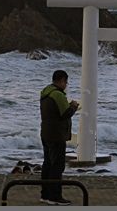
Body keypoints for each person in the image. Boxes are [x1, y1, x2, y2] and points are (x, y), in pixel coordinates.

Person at [39, 70, 79, 206]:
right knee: (57, 166)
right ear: (61, 80)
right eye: (66, 82)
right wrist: (73, 106)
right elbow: (65, 113)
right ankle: (55, 196)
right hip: (56, 135)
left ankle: (45, 194)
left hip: (46, 133)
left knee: (48, 164)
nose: (66, 84)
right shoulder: (58, 95)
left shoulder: (46, 92)